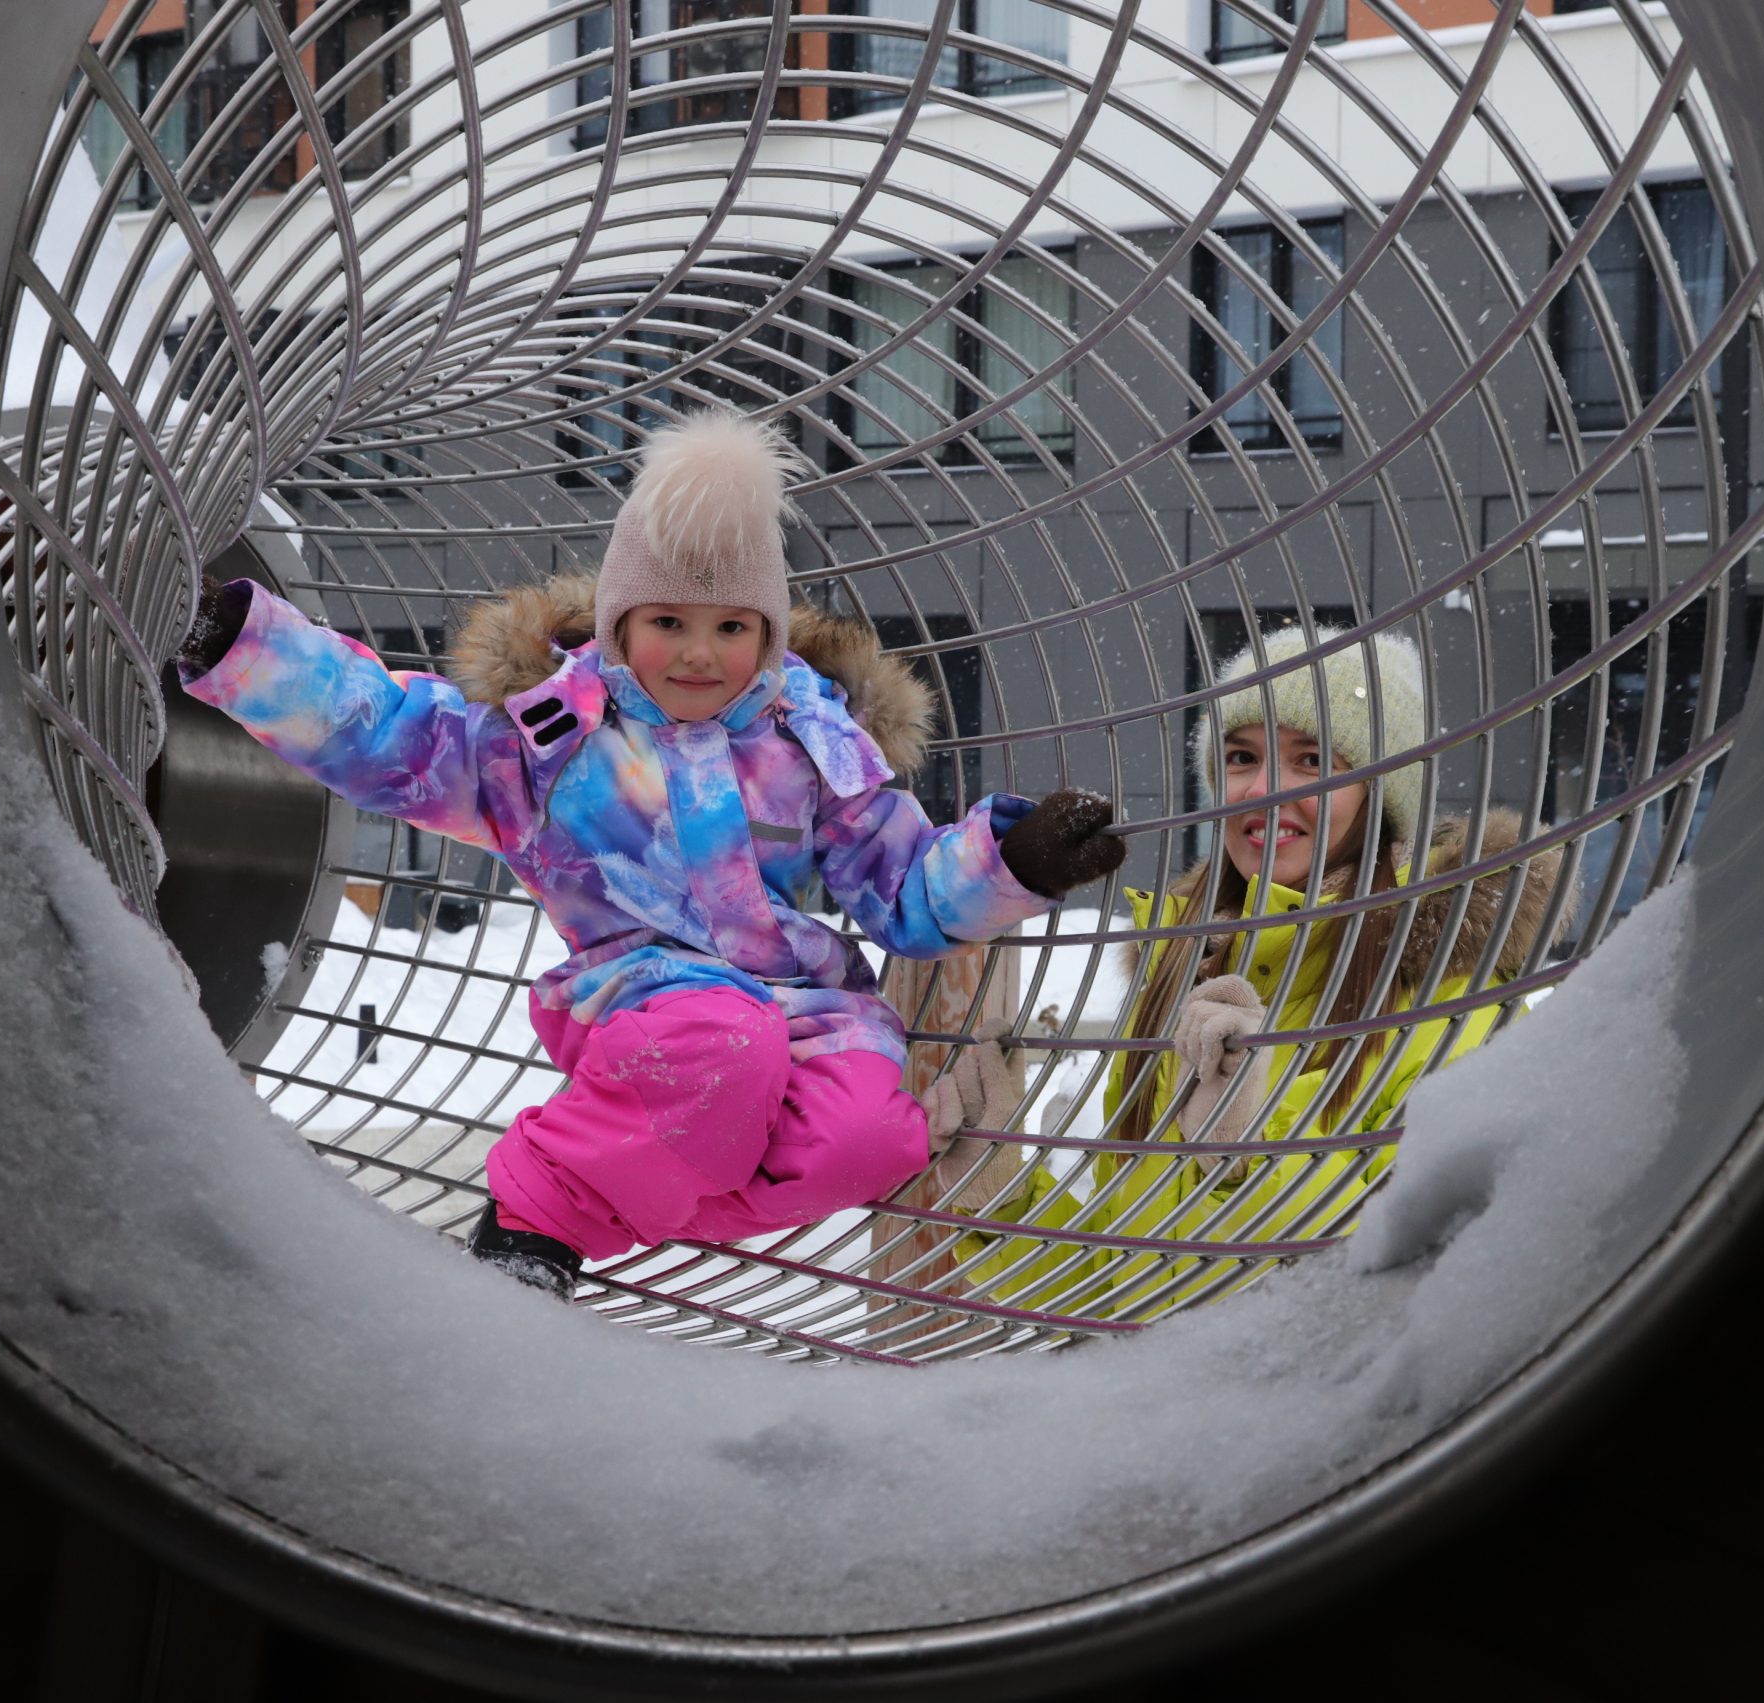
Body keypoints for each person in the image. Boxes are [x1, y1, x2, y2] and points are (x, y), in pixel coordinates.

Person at [174, 408, 1124, 1297]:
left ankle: (638, 1194)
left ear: (769, 632)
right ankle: (537, 1208)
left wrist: (1019, 861)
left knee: (871, 1141)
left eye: (732, 627)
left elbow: (902, 887)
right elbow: (387, 729)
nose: (700, 653)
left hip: (804, 1004)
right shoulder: (550, 738)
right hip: (643, 996)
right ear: (623, 622)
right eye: (669, 622)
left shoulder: (813, 743)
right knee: (723, 1045)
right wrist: (249, 651)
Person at [956, 622, 1570, 1318]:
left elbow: (1409, 1275)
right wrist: (997, 1193)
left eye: (1313, 758)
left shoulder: (1452, 996)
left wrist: (1245, 1159)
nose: (1265, 790)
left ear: (1384, 789)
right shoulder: (1179, 975)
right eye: (1242, 757)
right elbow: (1121, 1286)